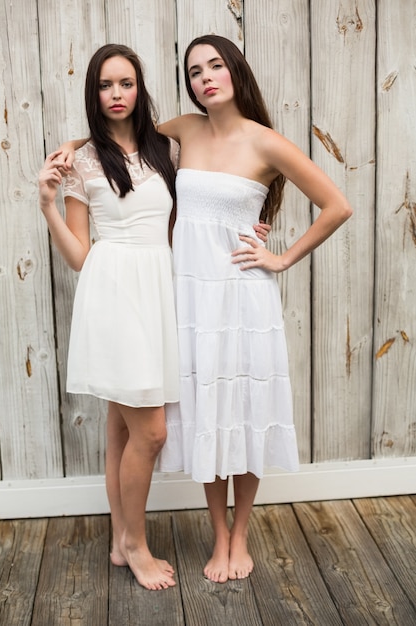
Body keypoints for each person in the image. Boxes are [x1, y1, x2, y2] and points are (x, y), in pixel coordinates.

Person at [59, 34, 353, 585]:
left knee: (242, 406)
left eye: (215, 66)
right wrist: (70, 146)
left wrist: (280, 257)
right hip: (186, 297)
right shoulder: (183, 132)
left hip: (242, 294)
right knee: (204, 414)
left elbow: (337, 205)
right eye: (195, 72)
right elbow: (121, 136)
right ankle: (214, 536)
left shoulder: (267, 142)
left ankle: (238, 538)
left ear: (235, 70)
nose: (205, 78)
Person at [38, 44, 180, 591]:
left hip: (158, 292)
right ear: (93, 93)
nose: (116, 94)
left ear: (139, 87)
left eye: (125, 83)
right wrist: (49, 204)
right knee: (152, 432)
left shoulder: (166, 148)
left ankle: (122, 540)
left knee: (122, 429)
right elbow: (80, 253)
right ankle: (138, 546)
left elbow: (177, 228)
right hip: (114, 295)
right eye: (105, 85)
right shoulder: (85, 163)